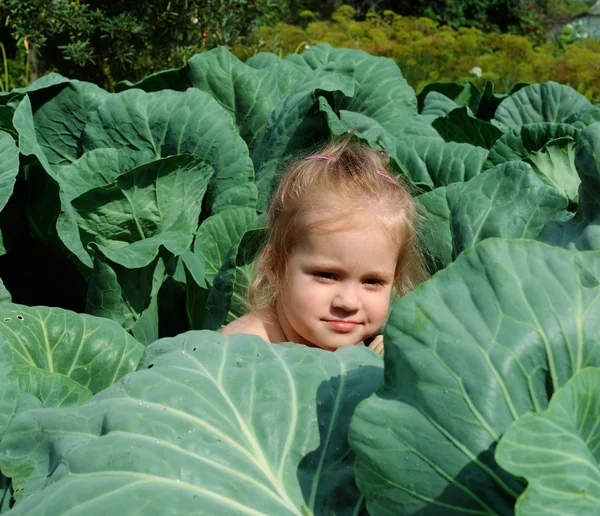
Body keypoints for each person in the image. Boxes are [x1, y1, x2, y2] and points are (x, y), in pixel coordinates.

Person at [220, 136, 428, 354]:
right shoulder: (242, 352)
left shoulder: (351, 342)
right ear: (275, 266)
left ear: (393, 280)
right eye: (327, 275)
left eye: (372, 281)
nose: (348, 302)